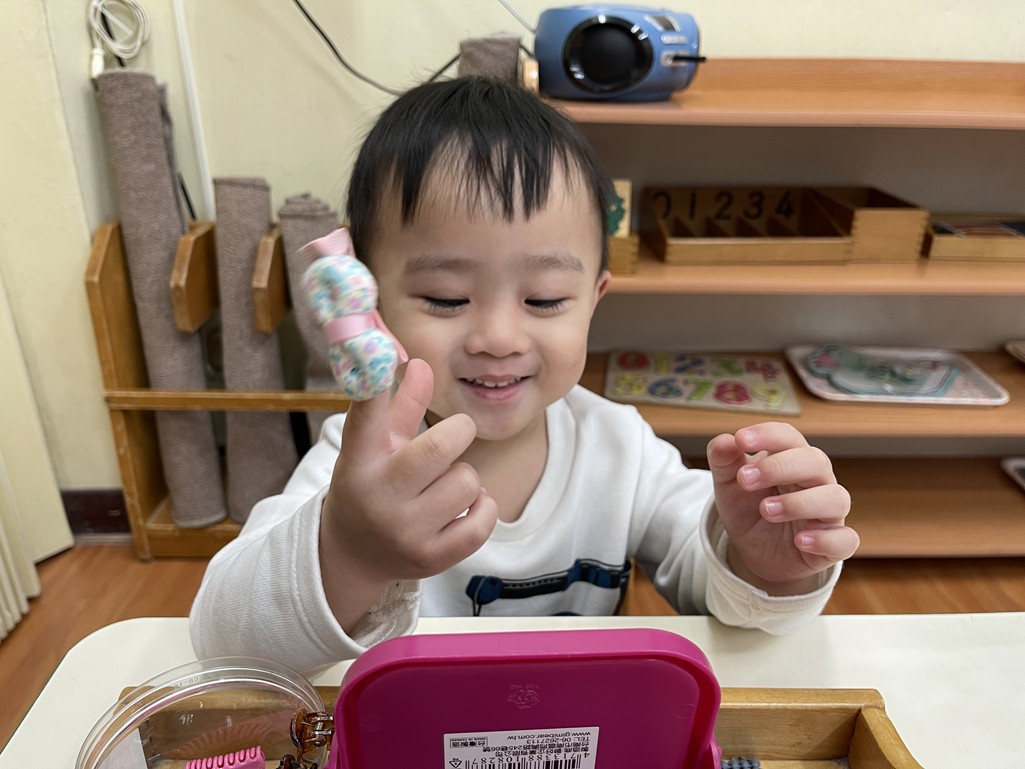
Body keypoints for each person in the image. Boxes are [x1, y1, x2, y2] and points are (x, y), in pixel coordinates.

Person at [189, 76, 858, 672]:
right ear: (369, 300)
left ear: (593, 299)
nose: (499, 338)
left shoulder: (617, 446)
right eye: (446, 298)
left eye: (543, 300)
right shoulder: (356, 467)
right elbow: (225, 640)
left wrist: (762, 564)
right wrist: (349, 551)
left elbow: (713, 584)